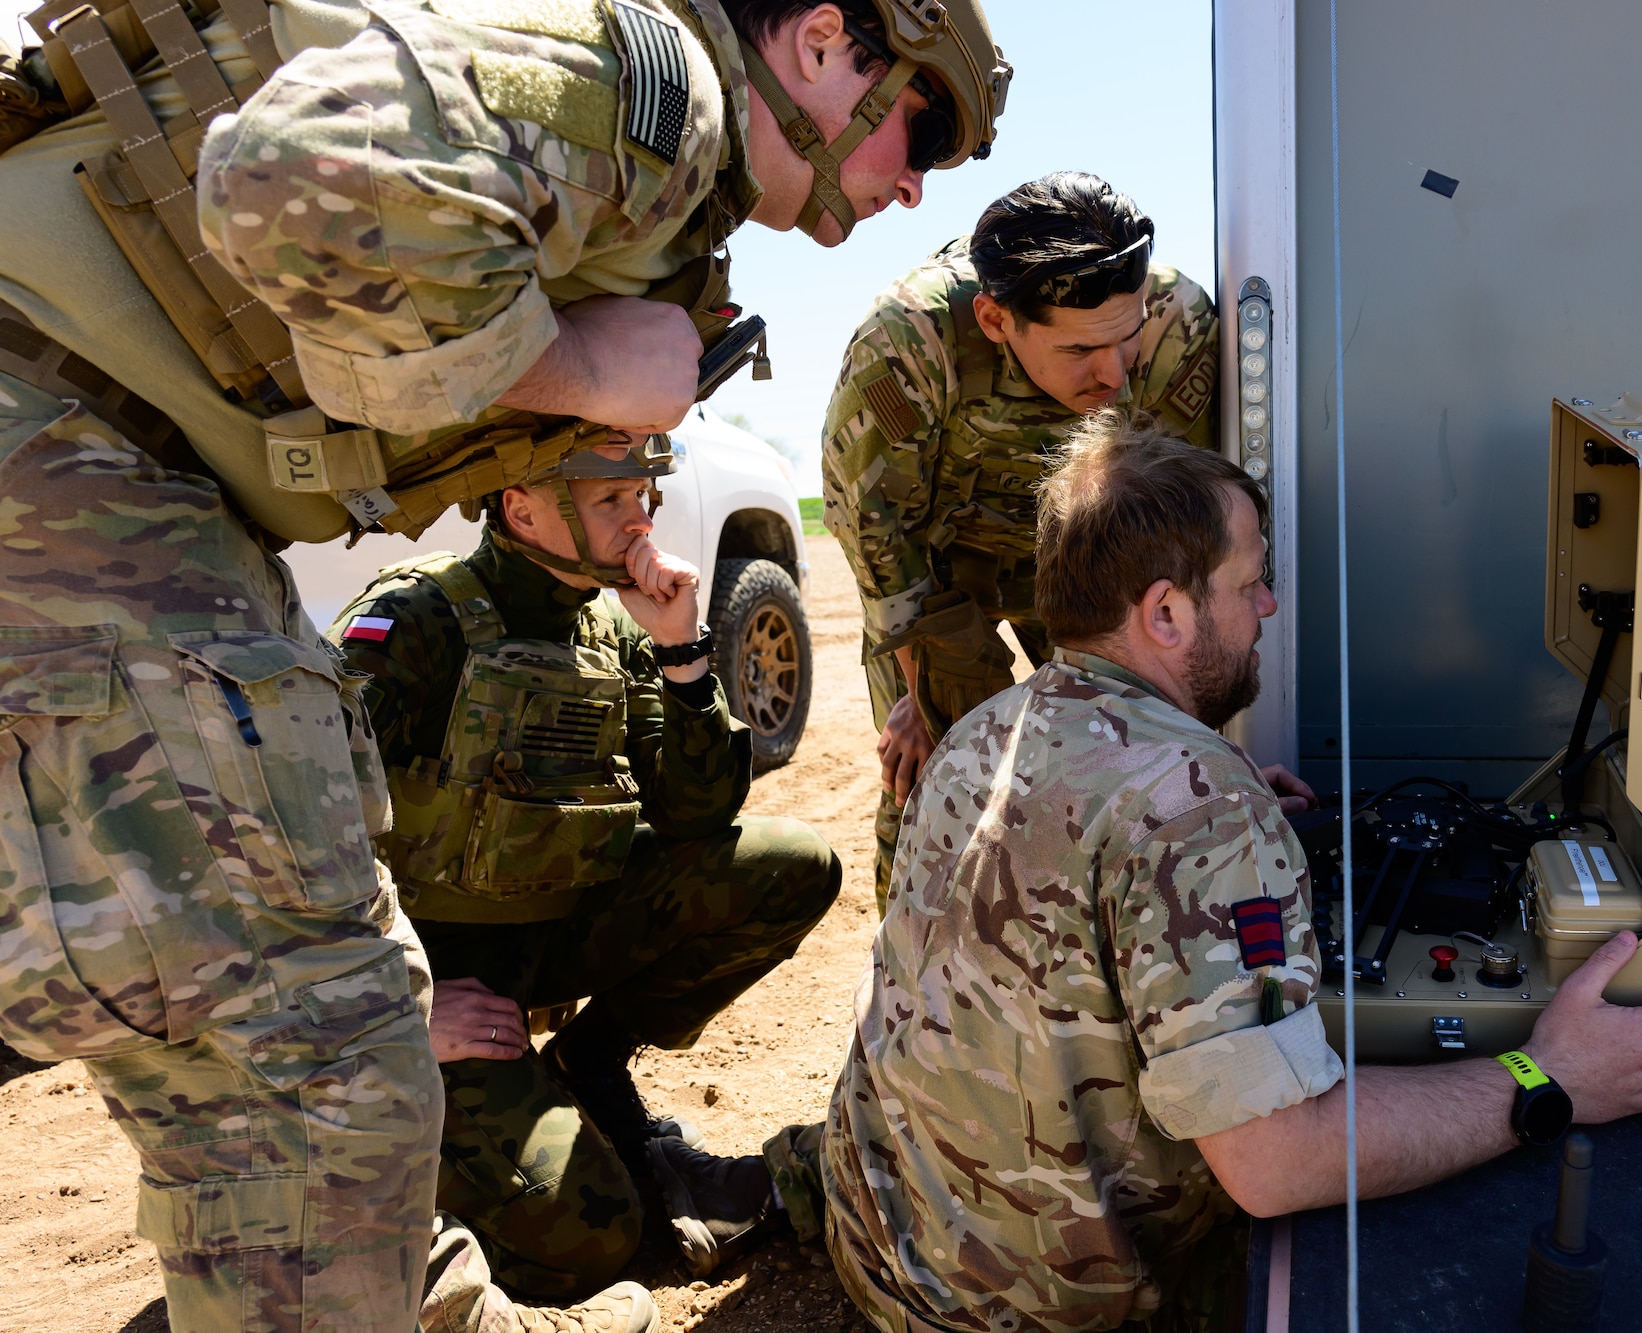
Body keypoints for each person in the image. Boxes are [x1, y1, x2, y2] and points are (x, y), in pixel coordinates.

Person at [0, 0, 1007, 1327]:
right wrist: (577, 363)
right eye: (921, 124)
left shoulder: (623, 569)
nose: (917, 183)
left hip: (113, 458)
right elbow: (289, 171)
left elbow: (698, 820)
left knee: (278, 1023)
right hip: (68, 442)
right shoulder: (662, 99)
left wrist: (679, 651)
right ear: (822, 44)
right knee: (315, 1042)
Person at [745, 413, 1642, 1331]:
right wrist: (1547, 1074)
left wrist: (1214, 815)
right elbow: (1274, 1162)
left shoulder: (991, 728)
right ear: (1166, 612)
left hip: (884, 1242)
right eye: (1248, 581)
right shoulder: (1195, 810)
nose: (1266, 604)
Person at [331, 439, 840, 1297]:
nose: (640, 517)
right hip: (437, 982)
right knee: (594, 1238)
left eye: (643, 494)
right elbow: (299, 835)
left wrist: (682, 653)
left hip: (559, 934)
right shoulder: (418, 619)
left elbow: (697, 815)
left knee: (793, 864)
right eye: (611, 500)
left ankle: (587, 1061)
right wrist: (395, 1004)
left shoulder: (615, 626)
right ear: (522, 506)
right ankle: (375, 1172)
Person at [820, 171, 1220, 914]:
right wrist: (922, 688)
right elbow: (882, 538)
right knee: (941, 777)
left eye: (1123, 339)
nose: (1113, 373)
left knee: (1142, 756)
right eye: (1079, 352)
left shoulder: (1172, 326)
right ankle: (918, 991)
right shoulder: (909, 344)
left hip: (1090, 564)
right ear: (997, 320)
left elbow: (1181, 531)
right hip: (942, 580)